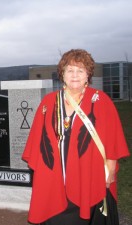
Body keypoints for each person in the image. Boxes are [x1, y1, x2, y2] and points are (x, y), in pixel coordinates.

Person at [22, 49, 130, 225]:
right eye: (70, 70)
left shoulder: (101, 101)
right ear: (62, 74)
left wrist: (110, 170)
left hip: (88, 175)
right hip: (55, 176)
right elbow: (37, 141)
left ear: (88, 75)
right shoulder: (48, 102)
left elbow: (113, 140)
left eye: (80, 70)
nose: (75, 75)